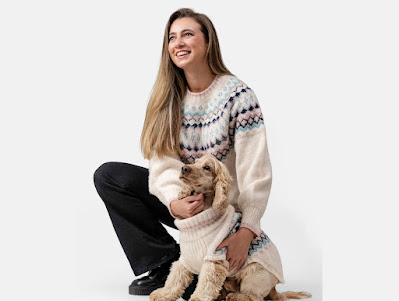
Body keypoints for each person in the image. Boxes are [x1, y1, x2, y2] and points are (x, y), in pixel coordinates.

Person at [93, 7, 273, 299]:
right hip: (184, 201)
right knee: (110, 176)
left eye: (187, 34)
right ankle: (166, 262)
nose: (178, 43)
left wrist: (246, 231)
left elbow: (256, 172)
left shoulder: (239, 97)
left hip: (222, 211)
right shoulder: (167, 99)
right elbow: (162, 166)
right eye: (172, 37)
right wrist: (175, 203)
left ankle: (206, 266)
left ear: (208, 42)